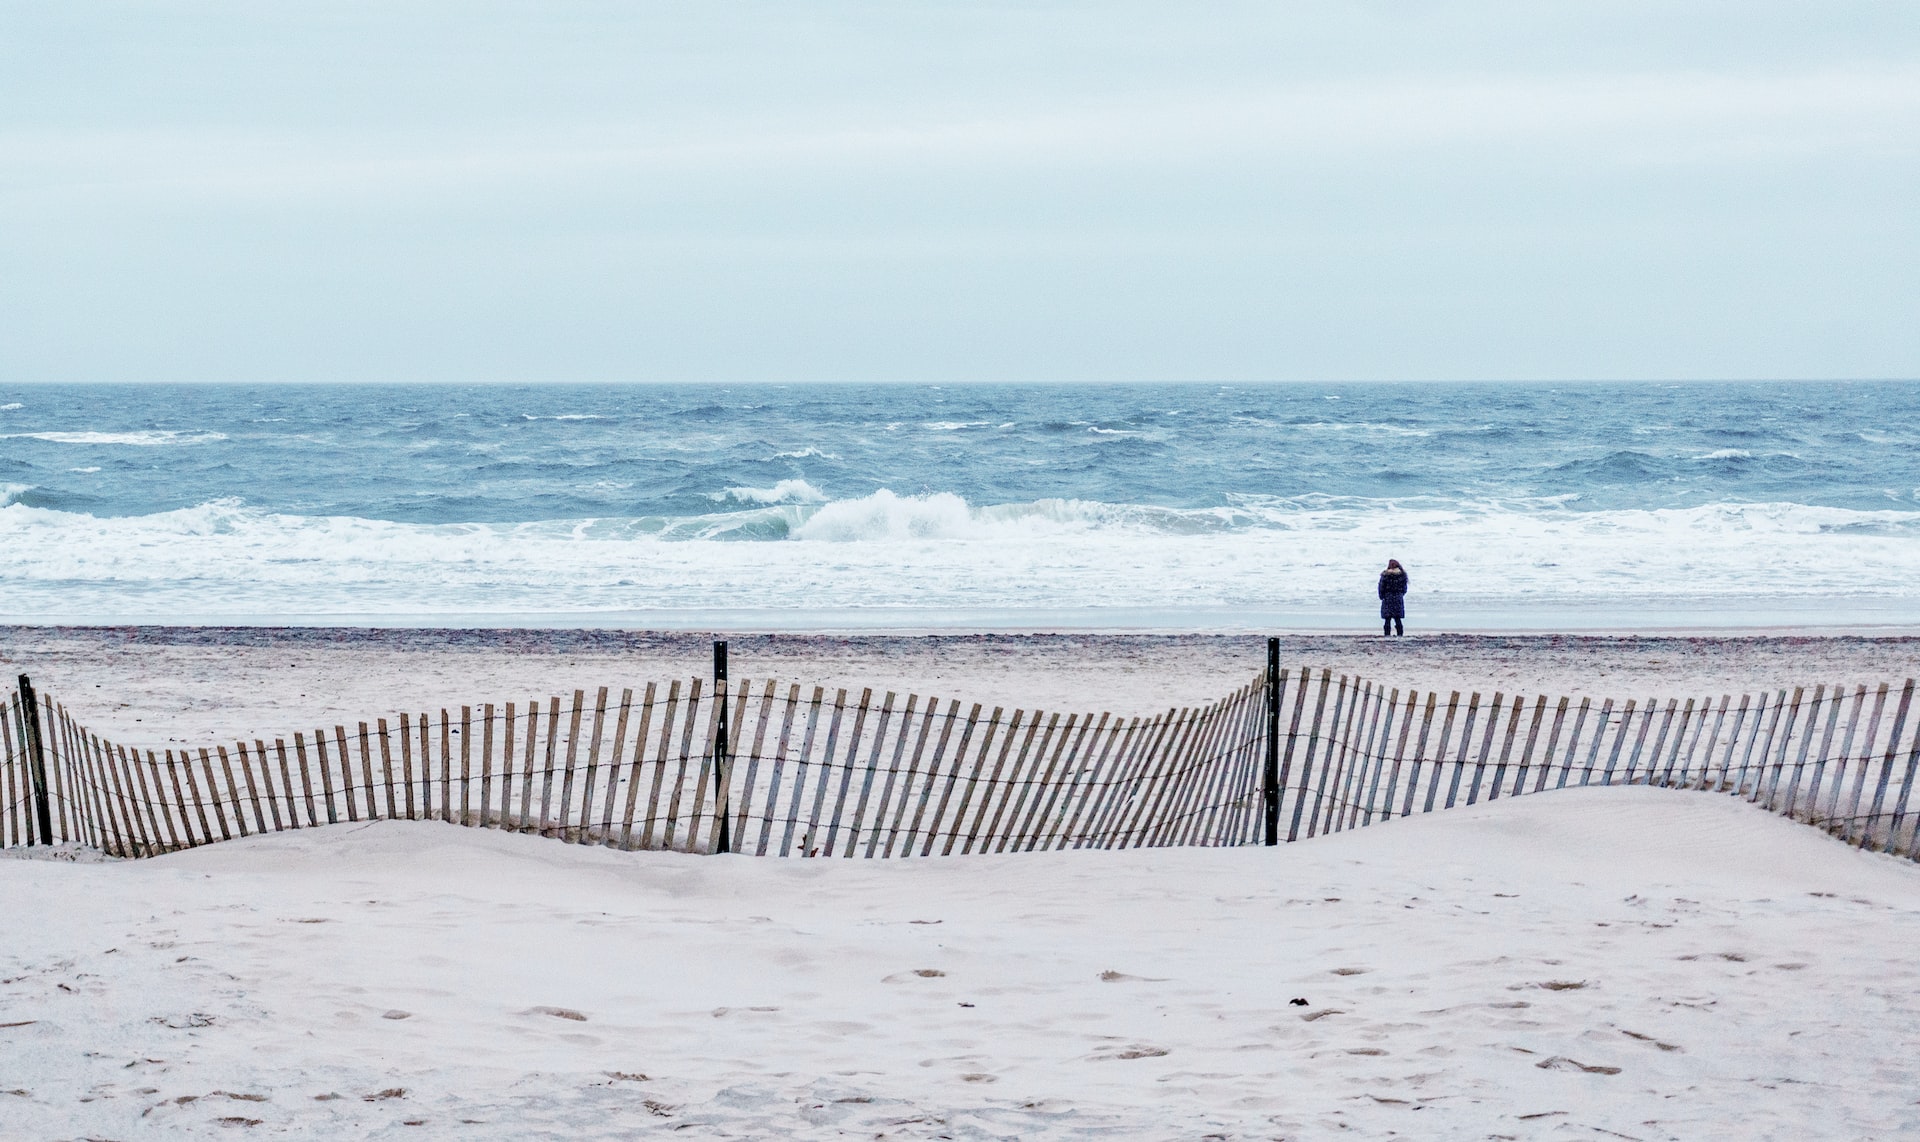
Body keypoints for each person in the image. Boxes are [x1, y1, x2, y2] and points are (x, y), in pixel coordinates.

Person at [1377, 559, 1408, 636]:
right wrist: (1400, 595)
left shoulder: (1385, 575)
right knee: (1398, 618)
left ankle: (1387, 635)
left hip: (1387, 598)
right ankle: (1400, 635)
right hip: (1398, 598)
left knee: (1387, 619)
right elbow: (1404, 588)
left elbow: (1381, 587)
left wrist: (1381, 596)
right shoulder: (1402, 575)